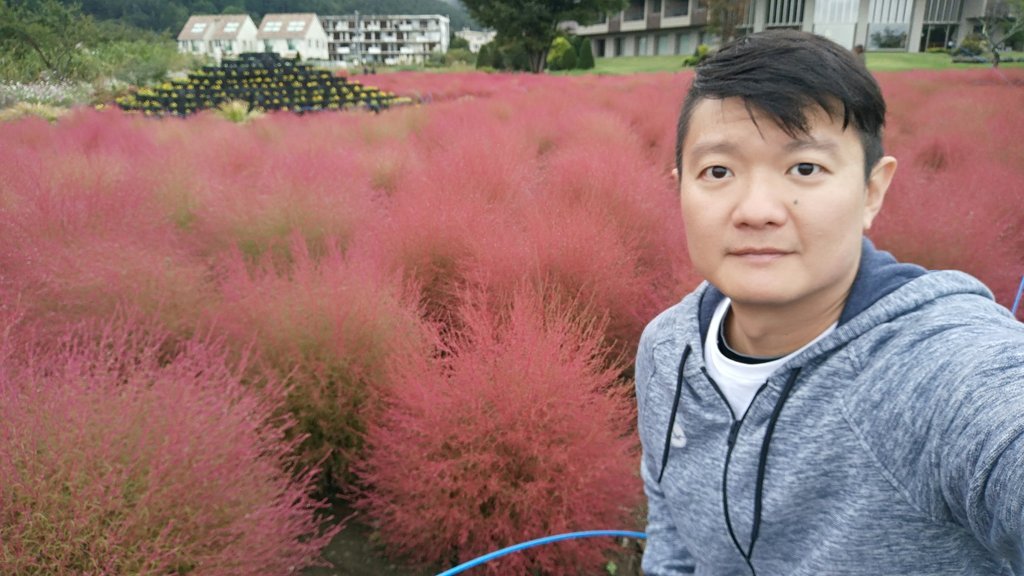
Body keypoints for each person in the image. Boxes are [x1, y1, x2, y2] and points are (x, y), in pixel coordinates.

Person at [636, 29, 1024, 575]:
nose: (757, 210)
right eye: (718, 171)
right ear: (680, 189)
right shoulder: (665, 350)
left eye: (805, 169)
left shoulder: (939, 370)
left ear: (872, 191)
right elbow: (670, 528)